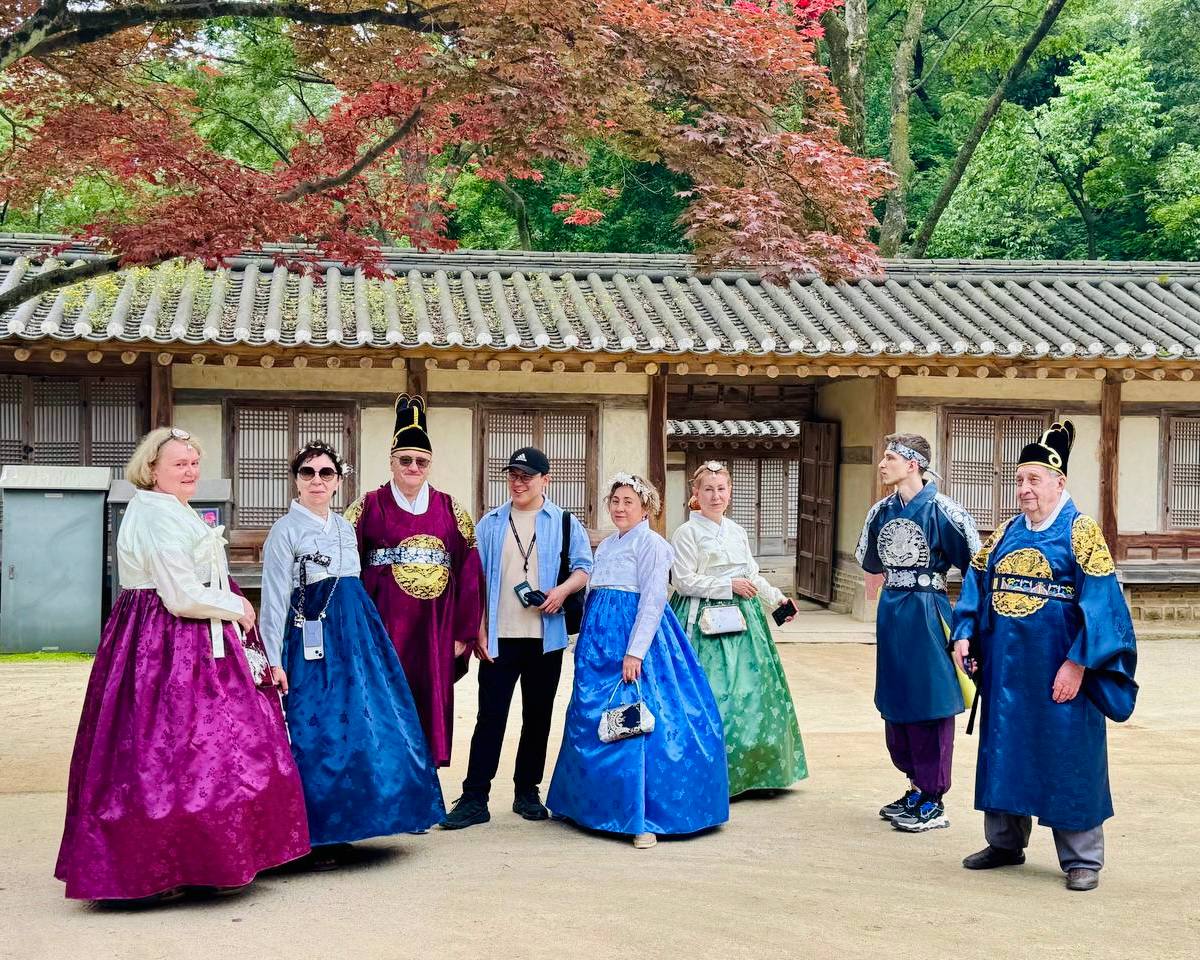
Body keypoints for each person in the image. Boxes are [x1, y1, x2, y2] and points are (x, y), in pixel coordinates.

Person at [55, 427, 309, 902]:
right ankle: (163, 866)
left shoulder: (170, 507)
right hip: (167, 642)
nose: (190, 472)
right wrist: (237, 607)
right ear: (152, 469)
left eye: (194, 463)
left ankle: (204, 858)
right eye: (179, 464)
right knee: (176, 748)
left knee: (196, 750)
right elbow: (180, 595)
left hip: (185, 638)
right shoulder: (156, 515)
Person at [951, 420, 1138, 892]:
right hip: (1007, 671)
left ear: (1059, 482)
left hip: (1060, 670)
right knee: (1005, 750)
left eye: (1034, 479)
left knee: (1068, 756)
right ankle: (1004, 842)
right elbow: (976, 583)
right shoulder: (1006, 532)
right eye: (1019, 480)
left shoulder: (1081, 532)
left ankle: (1082, 859)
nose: (1024, 489)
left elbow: (1104, 607)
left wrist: (1078, 664)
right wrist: (964, 633)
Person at [259, 441, 445, 858]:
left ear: (338, 481)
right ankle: (318, 831)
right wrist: (273, 659)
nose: (317, 481)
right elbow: (273, 602)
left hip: (358, 639)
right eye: (308, 473)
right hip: (312, 638)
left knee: (370, 721)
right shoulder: (284, 531)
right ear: (296, 480)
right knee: (318, 727)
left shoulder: (345, 528)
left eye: (326, 473)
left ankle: (373, 814)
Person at [547, 473, 729, 848]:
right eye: (615, 501)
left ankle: (641, 817)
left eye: (628, 501)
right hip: (600, 643)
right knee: (592, 715)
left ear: (645, 507)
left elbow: (653, 598)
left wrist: (635, 651)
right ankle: (585, 805)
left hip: (635, 639)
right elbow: (595, 595)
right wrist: (584, 640)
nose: (620, 508)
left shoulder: (653, 544)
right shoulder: (606, 545)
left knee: (636, 719)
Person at [441, 447, 593, 829]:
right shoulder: (491, 523)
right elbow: (474, 581)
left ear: (545, 479)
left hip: (546, 637)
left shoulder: (564, 521)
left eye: (527, 476)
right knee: (489, 718)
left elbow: (583, 568)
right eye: (513, 475)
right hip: (499, 638)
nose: (518, 482)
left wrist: (562, 591)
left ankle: (527, 791)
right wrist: (478, 630)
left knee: (537, 718)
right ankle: (475, 797)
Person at [346, 394, 484, 767]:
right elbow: (346, 569)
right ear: (391, 462)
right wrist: (355, 627)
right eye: (405, 459)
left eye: (421, 461)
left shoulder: (451, 509)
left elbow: (470, 572)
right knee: (382, 702)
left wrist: (464, 632)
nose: (413, 467)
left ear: (430, 465)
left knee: (428, 705)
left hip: (434, 631)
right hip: (382, 628)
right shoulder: (366, 507)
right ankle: (386, 781)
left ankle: (425, 781)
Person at [856, 433, 980, 833]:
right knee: (897, 697)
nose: (882, 464)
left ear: (913, 465)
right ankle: (914, 786)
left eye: (890, 457)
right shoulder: (880, 512)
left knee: (931, 700)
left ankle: (934, 797)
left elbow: (977, 569)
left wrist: (970, 623)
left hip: (929, 611)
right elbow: (870, 562)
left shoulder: (945, 511)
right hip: (893, 611)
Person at [669, 461, 808, 797]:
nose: (715, 496)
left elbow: (752, 575)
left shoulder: (737, 531)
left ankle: (756, 773)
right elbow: (682, 581)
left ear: (729, 492)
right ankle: (712, 776)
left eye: (721, 489)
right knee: (714, 693)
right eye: (708, 489)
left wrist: (776, 600)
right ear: (695, 493)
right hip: (702, 621)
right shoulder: (686, 533)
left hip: (745, 622)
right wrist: (727, 585)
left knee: (753, 692)